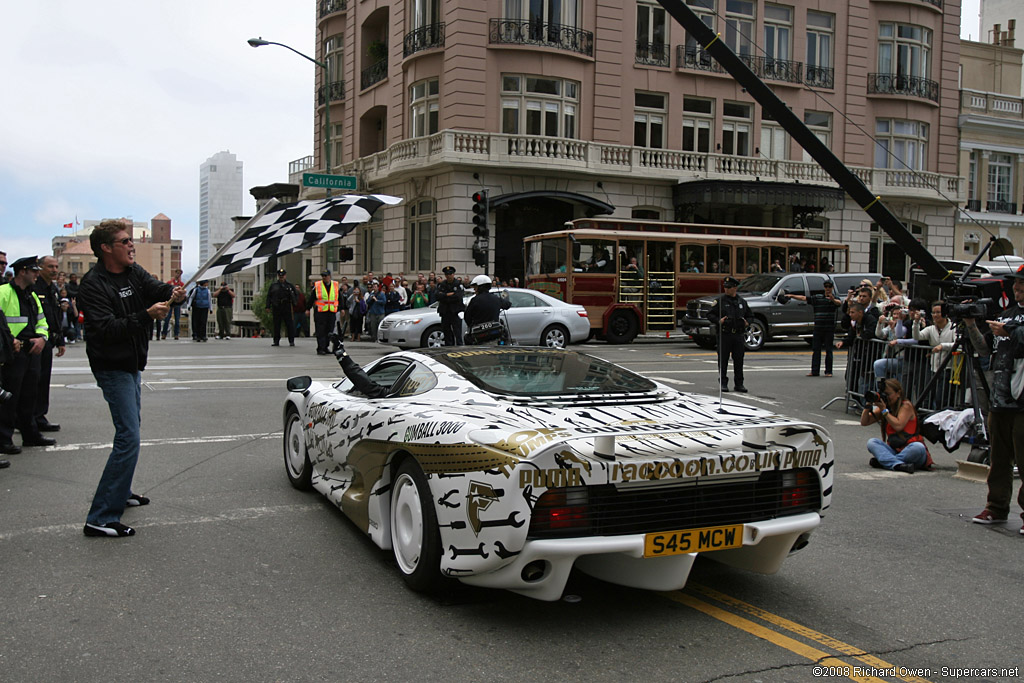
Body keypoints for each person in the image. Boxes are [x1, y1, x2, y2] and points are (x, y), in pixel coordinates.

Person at [77, 220, 186, 537]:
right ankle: (100, 516)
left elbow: (156, 289)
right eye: (124, 241)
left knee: (131, 430)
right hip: (112, 366)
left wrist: (172, 293)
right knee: (129, 437)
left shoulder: (133, 272)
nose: (131, 245)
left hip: (132, 362)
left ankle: (121, 492)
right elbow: (107, 328)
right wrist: (146, 315)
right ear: (106, 248)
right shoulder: (93, 285)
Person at [972, 265, 1024, 532]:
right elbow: (983, 348)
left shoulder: (1012, 325)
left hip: (1023, 402)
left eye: (1022, 285)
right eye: (1016, 284)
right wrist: (971, 325)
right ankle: (996, 507)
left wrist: (1012, 332)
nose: (1017, 288)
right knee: (999, 458)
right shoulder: (1007, 315)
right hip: (1000, 398)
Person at [0, 257, 52, 456]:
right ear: (23, 271)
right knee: (10, 397)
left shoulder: (32, 296)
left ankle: (30, 434)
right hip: (13, 352)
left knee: (30, 395)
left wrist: (42, 338)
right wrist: (9, 339)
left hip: (32, 350)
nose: (37, 274)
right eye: (34, 271)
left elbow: (42, 321)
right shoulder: (4, 292)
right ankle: (4, 439)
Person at [859, 378, 931, 473]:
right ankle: (897, 464)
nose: (886, 397)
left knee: (918, 447)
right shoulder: (885, 407)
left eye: (888, 394)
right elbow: (864, 422)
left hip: (911, 450)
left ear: (898, 393)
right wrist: (868, 404)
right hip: (895, 449)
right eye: (884, 394)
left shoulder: (906, 406)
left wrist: (884, 411)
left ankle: (886, 461)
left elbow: (898, 426)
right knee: (872, 442)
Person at [32, 255, 65, 432]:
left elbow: (56, 315)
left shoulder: (52, 288)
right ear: (40, 268)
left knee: (44, 380)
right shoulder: (34, 287)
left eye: (55, 267)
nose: (53, 270)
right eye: (50, 267)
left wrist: (60, 340)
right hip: (36, 341)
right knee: (33, 381)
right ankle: (29, 418)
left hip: (49, 341)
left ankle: (39, 416)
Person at [785, 279, 841, 377]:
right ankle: (814, 371)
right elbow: (804, 298)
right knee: (816, 350)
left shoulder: (834, 298)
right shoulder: (818, 298)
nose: (827, 289)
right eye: (826, 286)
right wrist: (792, 296)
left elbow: (839, 303)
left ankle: (828, 371)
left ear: (832, 288)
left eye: (829, 287)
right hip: (818, 328)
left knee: (828, 350)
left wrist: (832, 299)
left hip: (829, 328)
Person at [706, 276, 752, 393]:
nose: (726, 289)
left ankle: (739, 384)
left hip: (738, 335)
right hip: (724, 334)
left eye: (729, 287)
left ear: (735, 288)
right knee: (723, 360)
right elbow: (710, 315)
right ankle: (723, 383)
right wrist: (718, 321)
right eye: (725, 287)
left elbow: (750, 315)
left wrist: (747, 322)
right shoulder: (720, 301)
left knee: (738, 360)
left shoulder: (741, 302)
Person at [464, 274, 511, 344]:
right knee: (504, 334)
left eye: (475, 287)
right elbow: (507, 305)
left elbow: (467, 317)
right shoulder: (496, 298)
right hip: (494, 332)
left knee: (467, 338)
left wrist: (471, 325)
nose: (474, 289)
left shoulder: (475, 300)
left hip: (479, 333)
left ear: (480, 287)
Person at [308, 270, 339, 355]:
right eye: (323, 276)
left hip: (331, 312)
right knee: (321, 331)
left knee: (329, 331)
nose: (324, 278)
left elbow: (338, 298)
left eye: (325, 276)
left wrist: (342, 308)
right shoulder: (318, 286)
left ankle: (325, 347)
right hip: (320, 312)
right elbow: (312, 298)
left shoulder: (335, 285)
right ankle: (320, 348)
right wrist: (308, 308)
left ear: (329, 276)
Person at [266, 269, 297, 347]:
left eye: (282, 276)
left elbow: (296, 295)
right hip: (277, 306)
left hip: (286, 306)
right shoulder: (273, 285)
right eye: (280, 276)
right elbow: (269, 296)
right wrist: (268, 306)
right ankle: (276, 341)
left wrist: (294, 303)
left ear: (285, 276)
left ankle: (291, 340)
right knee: (277, 325)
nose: (281, 278)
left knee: (289, 324)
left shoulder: (289, 285)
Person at [436, 266, 465, 346]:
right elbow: (437, 296)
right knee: (446, 332)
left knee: (457, 332)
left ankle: (459, 347)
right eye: (446, 274)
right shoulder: (442, 284)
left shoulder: (458, 284)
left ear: (453, 274)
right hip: (445, 312)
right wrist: (447, 295)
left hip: (455, 312)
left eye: (450, 274)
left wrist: (444, 296)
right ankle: (449, 347)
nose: (448, 276)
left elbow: (458, 297)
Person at [161, 269, 184, 340]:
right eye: (177, 273)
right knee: (167, 318)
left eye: (180, 274)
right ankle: (164, 334)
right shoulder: (169, 282)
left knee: (177, 319)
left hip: (177, 303)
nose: (178, 275)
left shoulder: (182, 284)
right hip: (170, 302)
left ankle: (176, 334)